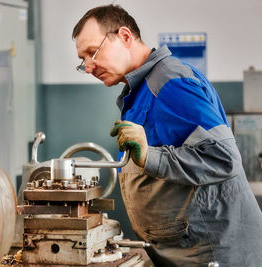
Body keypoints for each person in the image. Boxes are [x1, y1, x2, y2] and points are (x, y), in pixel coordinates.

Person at [72, 4, 262, 267]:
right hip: (183, 252)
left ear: (125, 36)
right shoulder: (140, 91)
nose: (90, 67)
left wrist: (150, 156)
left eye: (93, 52)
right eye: (83, 61)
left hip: (213, 255)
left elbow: (225, 158)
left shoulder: (170, 83)